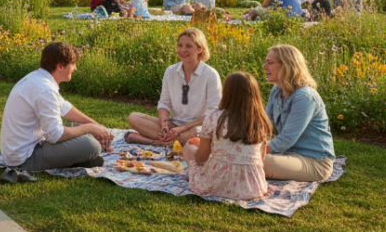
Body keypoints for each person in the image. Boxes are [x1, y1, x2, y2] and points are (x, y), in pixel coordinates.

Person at [0, 42, 110, 171]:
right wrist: (89, 128)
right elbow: (55, 135)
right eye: (73, 64)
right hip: (25, 158)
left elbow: (64, 107)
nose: (75, 68)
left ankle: (80, 158)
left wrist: (96, 126)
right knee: (92, 146)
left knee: (84, 134)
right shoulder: (45, 89)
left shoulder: (38, 79)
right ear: (60, 67)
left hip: (21, 149)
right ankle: (80, 158)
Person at [183, 72, 272, 202]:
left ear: (227, 93)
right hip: (253, 188)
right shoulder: (261, 120)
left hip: (216, 183)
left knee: (188, 147)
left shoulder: (214, 116)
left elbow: (202, 155)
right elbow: (261, 157)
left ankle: (197, 176)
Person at [126, 28, 222, 145]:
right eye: (180, 45)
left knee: (193, 136)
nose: (182, 50)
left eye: (188, 46)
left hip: (197, 127)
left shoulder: (211, 75)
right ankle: (171, 140)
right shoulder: (170, 71)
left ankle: (151, 141)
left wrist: (183, 128)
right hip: (175, 125)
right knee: (133, 117)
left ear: (200, 49)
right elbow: (164, 103)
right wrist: (164, 122)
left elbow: (214, 115)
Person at [261, 45, 336, 181]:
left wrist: (256, 152)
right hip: (287, 154)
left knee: (259, 163)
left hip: (315, 162)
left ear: (287, 66)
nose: (264, 66)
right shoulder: (277, 90)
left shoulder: (305, 96)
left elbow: (286, 138)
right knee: (244, 159)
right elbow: (265, 125)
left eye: (270, 63)